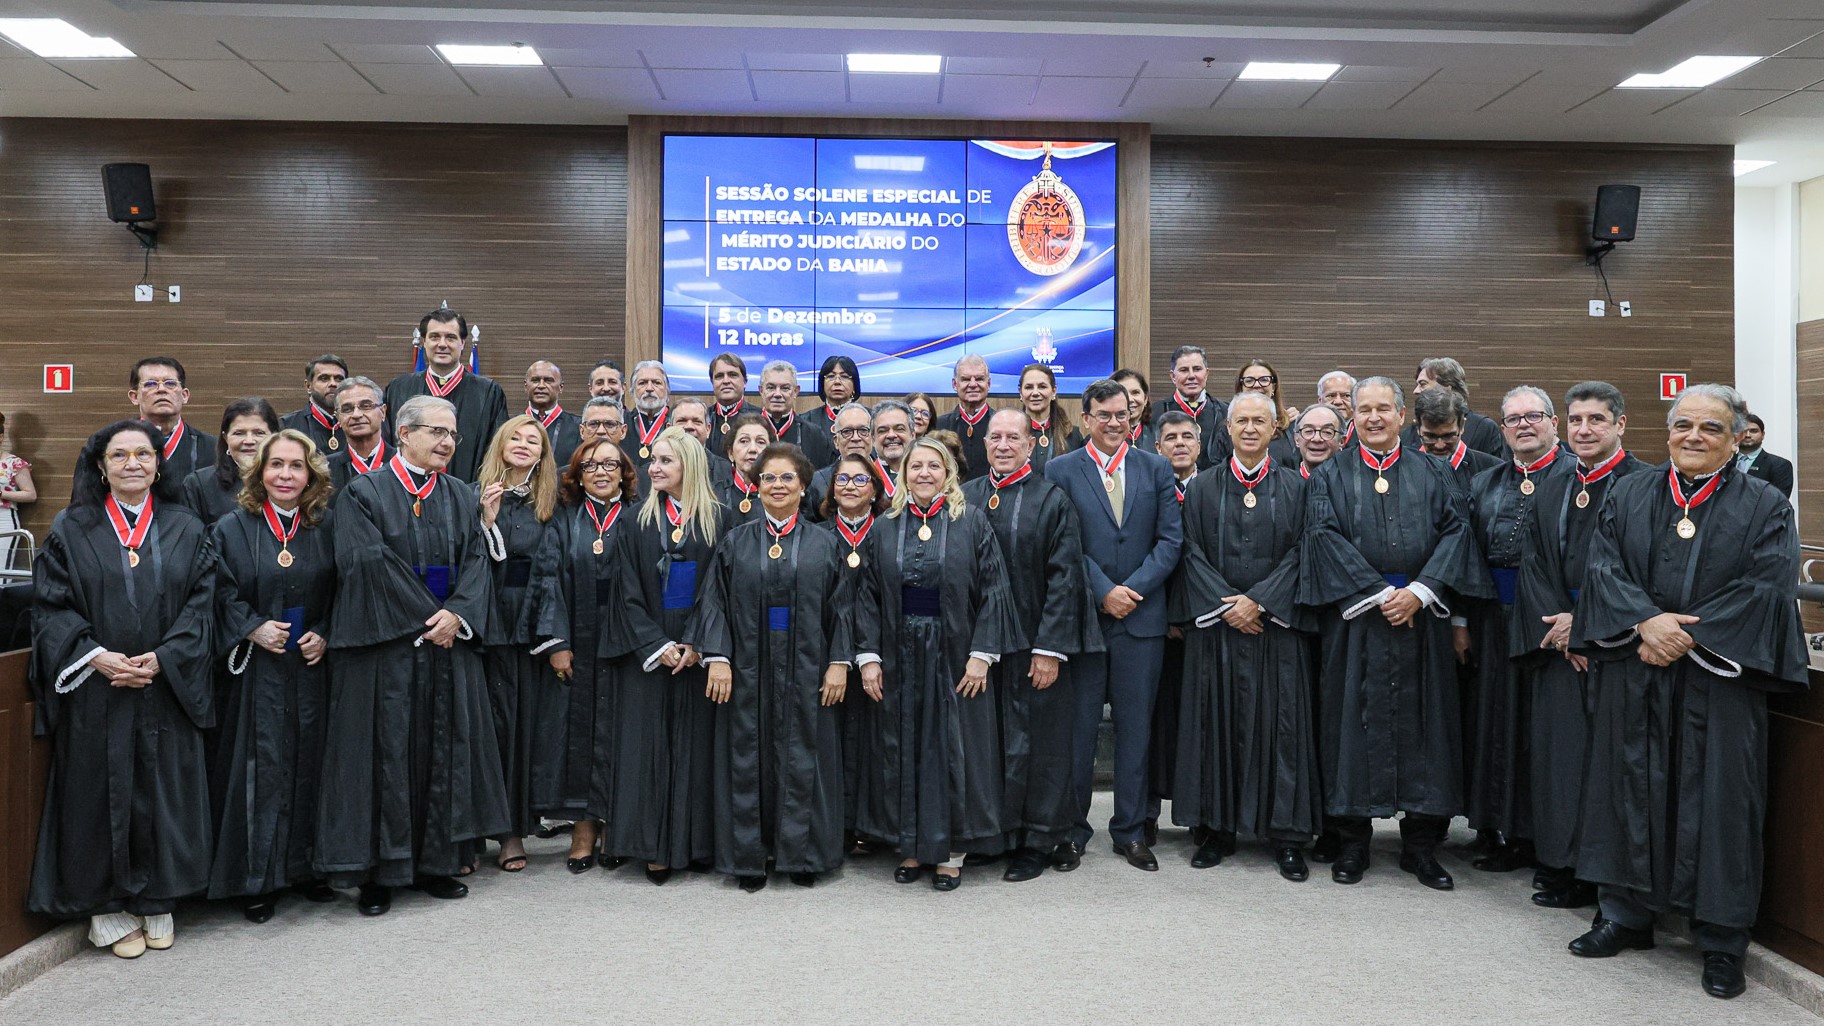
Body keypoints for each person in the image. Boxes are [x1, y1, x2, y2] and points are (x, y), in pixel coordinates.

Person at [1567, 383, 1806, 1001]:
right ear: (1666, 432)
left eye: (1711, 429)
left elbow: (1767, 586)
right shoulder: (1631, 491)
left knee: (1723, 801)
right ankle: (1624, 915)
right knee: (1625, 786)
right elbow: (1602, 566)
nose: (1694, 437)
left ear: (1736, 438)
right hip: (1635, 667)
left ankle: (1722, 940)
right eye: (1683, 426)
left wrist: (1680, 636)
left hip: (1719, 683)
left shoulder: (1766, 503)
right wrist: (1645, 621)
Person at [314, 395, 509, 916]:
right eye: (436, 432)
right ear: (404, 433)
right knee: (384, 757)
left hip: (446, 650)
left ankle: (434, 865)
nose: (447, 442)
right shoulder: (363, 493)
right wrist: (432, 619)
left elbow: (475, 563)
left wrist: (458, 616)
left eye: (452, 435)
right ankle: (379, 874)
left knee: (441, 753)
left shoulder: (460, 497)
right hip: (386, 655)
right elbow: (367, 565)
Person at [30, 419, 217, 958]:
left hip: (165, 685)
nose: (133, 463)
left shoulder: (187, 526)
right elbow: (50, 605)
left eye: (143, 454)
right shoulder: (71, 527)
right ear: (100, 466)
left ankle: (158, 897)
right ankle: (105, 906)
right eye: (120, 455)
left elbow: (202, 604)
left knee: (163, 788)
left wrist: (163, 658)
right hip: (98, 688)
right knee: (97, 792)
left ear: (159, 465)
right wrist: (97, 656)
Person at [1298, 376, 1489, 890]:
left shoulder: (1434, 470)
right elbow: (1323, 536)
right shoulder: (1329, 474)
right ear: (1351, 418)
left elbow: (1457, 532)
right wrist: (1382, 595)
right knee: (1349, 724)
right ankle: (1353, 842)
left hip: (1422, 621)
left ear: (1403, 417)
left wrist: (1422, 591)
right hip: (1356, 619)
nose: (1374, 418)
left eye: (1384, 409)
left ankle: (1421, 847)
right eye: (1364, 410)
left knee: (1428, 726)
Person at [855, 437, 1021, 890]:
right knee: (904, 746)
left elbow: (994, 591)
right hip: (898, 653)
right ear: (904, 473)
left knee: (952, 750)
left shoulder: (971, 522)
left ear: (948, 472)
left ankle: (951, 852)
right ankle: (909, 846)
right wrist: (869, 659)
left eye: (933, 466)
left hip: (956, 656)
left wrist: (982, 656)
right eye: (915, 466)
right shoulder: (885, 526)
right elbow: (866, 597)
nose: (923, 473)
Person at [1171, 392, 1319, 879]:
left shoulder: (1298, 489)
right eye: (1242, 421)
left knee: (1285, 731)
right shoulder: (1202, 488)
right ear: (1227, 428)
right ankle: (1217, 830)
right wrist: (1229, 607)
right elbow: (1189, 552)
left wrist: (1260, 601)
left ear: (1276, 429)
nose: (1250, 428)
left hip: (1276, 628)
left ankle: (1288, 836)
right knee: (1215, 725)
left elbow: (1303, 552)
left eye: (1260, 421)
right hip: (1217, 631)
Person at [694, 442, 852, 891]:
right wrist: (719, 659)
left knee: (804, 756)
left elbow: (843, 609)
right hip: (748, 671)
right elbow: (715, 604)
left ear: (804, 486)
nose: (777, 485)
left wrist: (839, 663)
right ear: (756, 485)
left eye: (787, 478)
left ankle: (802, 857)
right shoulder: (736, 541)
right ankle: (749, 858)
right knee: (748, 757)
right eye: (768, 478)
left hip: (808, 670)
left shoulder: (825, 543)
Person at [1512, 380, 1645, 911]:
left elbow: (1635, 570)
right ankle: (1562, 865)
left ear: (1620, 425)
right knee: (1560, 762)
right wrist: (1561, 627)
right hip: (1558, 641)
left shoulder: (1644, 485)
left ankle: (1602, 875)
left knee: (1607, 764)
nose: (1584, 430)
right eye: (1576, 421)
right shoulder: (1556, 483)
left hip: (1614, 646)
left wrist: (1586, 625)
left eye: (1596, 420)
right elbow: (1536, 561)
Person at [1046, 378, 1182, 872]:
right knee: (1079, 734)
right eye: (1102, 415)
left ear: (1133, 418)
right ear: (1086, 419)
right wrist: (1104, 591)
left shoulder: (1156, 467)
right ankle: (1072, 831)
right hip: (1085, 620)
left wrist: (1132, 592)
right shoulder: (1060, 470)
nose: (1112, 423)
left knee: (1135, 731)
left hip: (1142, 622)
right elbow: (1061, 543)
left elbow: (1170, 542)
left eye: (1121, 415)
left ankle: (1129, 831)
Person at [207, 429, 336, 923]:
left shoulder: (324, 527)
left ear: (311, 475)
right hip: (255, 671)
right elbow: (216, 592)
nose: (285, 475)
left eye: (296, 466)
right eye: (276, 465)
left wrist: (325, 631)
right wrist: (251, 627)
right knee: (259, 770)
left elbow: (346, 587)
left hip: (309, 667)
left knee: (310, 762)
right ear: (259, 472)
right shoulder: (231, 529)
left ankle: (305, 869)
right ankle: (255, 879)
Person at [963, 411, 1096, 882]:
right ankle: (994, 835)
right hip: (983, 648)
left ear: (1031, 441)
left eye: (1012, 437)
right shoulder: (967, 497)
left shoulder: (1052, 499)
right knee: (992, 743)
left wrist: (1049, 648)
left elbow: (1066, 579)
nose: (1003, 444)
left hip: (1035, 646)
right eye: (995, 436)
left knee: (1040, 747)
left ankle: (1038, 840)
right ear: (983, 442)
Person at [605, 426, 721, 884]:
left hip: (698, 650)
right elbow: (626, 591)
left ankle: (693, 845)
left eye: (665, 461)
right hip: (650, 651)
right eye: (653, 460)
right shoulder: (635, 520)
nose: (653, 467)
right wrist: (658, 645)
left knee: (697, 750)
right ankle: (654, 849)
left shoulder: (721, 520)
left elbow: (719, 589)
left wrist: (695, 642)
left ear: (689, 465)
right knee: (648, 749)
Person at [1462, 386, 1569, 874]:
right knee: (1496, 726)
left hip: (1550, 625)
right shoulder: (1485, 481)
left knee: (1542, 735)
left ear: (1554, 423)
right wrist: (1461, 622)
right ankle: (1503, 832)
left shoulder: (1575, 479)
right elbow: (1466, 557)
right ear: (1501, 430)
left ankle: (1546, 845)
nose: (1524, 425)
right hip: (1491, 620)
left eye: (1534, 416)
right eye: (1513, 420)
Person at [533, 436, 640, 874]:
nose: (601, 471)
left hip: (625, 641)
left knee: (620, 728)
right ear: (577, 474)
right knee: (580, 729)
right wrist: (556, 642)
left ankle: (618, 822)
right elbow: (548, 581)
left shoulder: (638, 518)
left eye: (610, 465)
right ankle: (582, 825)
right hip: (578, 633)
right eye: (591, 465)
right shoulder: (564, 520)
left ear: (624, 473)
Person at [476, 415, 562, 875]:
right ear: (501, 445)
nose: (525, 445)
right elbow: (466, 559)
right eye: (517, 437)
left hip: (530, 624)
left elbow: (554, 567)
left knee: (521, 730)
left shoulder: (551, 500)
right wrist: (487, 522)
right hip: (485, 622)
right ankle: (472, 830)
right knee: (484, 727)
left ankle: (512, 830)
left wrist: (548, 631)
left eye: (535, 440)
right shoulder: (475, 495)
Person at [819, 452, 889, 853]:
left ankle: (874, 826)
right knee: (835, 739)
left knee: (875, 740)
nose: (850, 486)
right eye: (842, 480)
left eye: (861, 480)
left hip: (880, 655)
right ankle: (839, 826)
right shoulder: (818, 535)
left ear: (875, 489)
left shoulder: (889, 533)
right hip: (830, 655)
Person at [383, 308, 509, 482]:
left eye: (450, 337)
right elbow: (390, 447)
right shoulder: (398, 389)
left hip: (469, 499)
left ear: (463, 343)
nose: (442, 344)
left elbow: (497, 453)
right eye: (434, 337)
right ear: (424, 342)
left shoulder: (489, 393)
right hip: (406, 498)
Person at [182, 398, 279, 523]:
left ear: (274, 437)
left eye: (259, 433)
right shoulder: (198, 485)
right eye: (239, 433)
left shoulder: (289, 481)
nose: (249, 441)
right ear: (225, 438)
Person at [128, 356, 215, 485]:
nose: (161, 389)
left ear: (184, 395)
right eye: (151, 384)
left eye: (170, 384)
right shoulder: (114, 444)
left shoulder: (211, 447)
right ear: (134, 397)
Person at [1408, 357, 1507, 458]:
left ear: (1446, 387)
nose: (1415, 391)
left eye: (1422, 384)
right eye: (1429, 436)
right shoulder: (1410, 432)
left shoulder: (1484, 429)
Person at [1413, 388, 1501, 493]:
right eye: (1430, 437)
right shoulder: (1403, 470)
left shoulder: (1494, 472)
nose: (1439, 445)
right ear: (1417, 428)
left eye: (1448, 436)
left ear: (1462, 426)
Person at [758, 360, 837, 469]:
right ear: (761, 390)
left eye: (785, 388)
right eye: (770, 387)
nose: (777, 394)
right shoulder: (747, 431)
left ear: (796, 391)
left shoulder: (814, 435)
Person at [1156, 346, 1226, 467]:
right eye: (1184, 370)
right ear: (1173, 377)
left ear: (1207, 373)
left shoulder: (1226, 412)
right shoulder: (1155, 413)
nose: (1191, 376)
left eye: (1197, 369)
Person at [805, 402, 875, 517]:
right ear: (836, 441)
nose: (856, 438)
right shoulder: (817, 483)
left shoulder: (887, 477)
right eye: (847, 432)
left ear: (873, 437)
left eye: (863, 430)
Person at [325, 376, 390, 492]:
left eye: (366, 406)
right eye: (347, 409)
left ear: (383, 412)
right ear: (338, 417)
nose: (356, 414)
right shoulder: (324, 470)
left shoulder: (403, 462)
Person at [934, 355, 994, 480]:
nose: (973, 384)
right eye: (966, 379)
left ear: (988, 383)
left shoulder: (1001, 425)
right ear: (955, 384)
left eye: (979, 379)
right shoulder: (938, 426)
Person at [1018, 363, 1084, 474]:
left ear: (1053, 391)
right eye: (1029, 387)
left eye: (1042, 386)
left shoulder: (1073, 435)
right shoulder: (1010, 434)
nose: (1035, 393)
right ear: (1021, 393)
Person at [280, 355, 349, 455]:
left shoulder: (355, 423)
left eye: (339, 379)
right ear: (308, 386)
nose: (333, 384)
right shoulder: (287, 426)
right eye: (324, 378)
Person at [1234, 360, 1300, 465]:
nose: (1256, 385)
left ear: (1273, 387)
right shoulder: (1228, 428)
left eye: (1264, 380)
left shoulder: (1293, 425)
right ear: (1241, 387)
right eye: (1249, 380)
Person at [716, 412, 775, 526]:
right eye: (744, 441)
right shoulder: (714, 495)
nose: (752, 449)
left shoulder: (779, 494)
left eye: (760, 442)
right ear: (730, 453)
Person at [0, 411, 39, 572]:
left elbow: (30, 494)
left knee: (1, 572)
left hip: (4, 520)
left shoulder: (13, 463)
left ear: (1, 437)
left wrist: (2, 494)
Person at [524, 360, 582, 467]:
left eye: (548, 380)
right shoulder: (510, 425)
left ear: (561, 387)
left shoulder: (579, 427)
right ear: (526, 386)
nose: (541, 385)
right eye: (535, 380)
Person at [626, 360, 672, 479]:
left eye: (657, 383)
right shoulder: (621, 424)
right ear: (632, 390)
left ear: (667, 390)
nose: (650, 388)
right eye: (642, 383)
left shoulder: (677, 424)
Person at [1736, 413, 1793, 499]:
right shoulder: (1723, 463)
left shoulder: (1780, 465)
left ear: (1763, 435)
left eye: (1753, 431)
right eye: (1743, 431)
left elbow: (1778, 502)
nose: (1747, 435)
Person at [804, 355, 861, 440]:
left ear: (854, 386)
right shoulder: (806, 420)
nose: (837, 382)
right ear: (822, 385)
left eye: (844, 376)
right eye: (831, 376)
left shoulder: (869, 418)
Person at [870, 400, 914, 499]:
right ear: (873, 439)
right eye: (883, 430)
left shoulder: (924, 477)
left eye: (899, 429)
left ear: (912, 435)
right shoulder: (864, 477)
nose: (891, 435)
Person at [1292, 403, 1345, 479]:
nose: (1317, 439)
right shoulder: (1283, 485)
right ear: (1296, 439)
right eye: (1309, 431)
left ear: (1341, 441)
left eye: (1327, 432)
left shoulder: (1353, 484)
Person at [707, 352, 752, 436]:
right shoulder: (703, 417)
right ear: (712, 382)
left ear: (745, 381)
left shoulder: (760, 417)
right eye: (719, 376)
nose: (726, 381)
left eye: (732, 375)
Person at [1111, 368, 1156, 452]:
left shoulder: (1160, 434)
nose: (1130, 399)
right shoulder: (1098, 439)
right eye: (1123, 393)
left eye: (1135, 392)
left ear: (1145, 398)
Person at [1315, 370, 1357, 448]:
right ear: (1320, 401)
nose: (1338, 401)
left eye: (1346, 395)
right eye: (1331, 395)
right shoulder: (1308, 431)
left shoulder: (1366, 432)